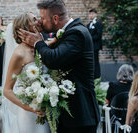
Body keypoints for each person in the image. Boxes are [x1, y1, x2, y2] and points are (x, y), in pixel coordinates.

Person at [17, 0, 100, 133]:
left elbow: (53, 59)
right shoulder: (69, 32)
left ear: (55, 18)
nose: (40, 21)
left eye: (43, 18)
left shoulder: (76, 33)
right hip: (69, 117)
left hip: (80, 116)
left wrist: (38, 42)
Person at [3, 12, 49, 133]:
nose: (38, 20)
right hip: (30, 115)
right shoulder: (19, 54)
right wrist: (29, 107)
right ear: (24, 27)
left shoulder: (41, 46)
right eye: (34, 19)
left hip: (48, 111)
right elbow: (7, 90)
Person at [87, 9, 103, 79]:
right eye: (90, 14)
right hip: (90, 47)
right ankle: (92, 75)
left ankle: (97, 75)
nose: (91, 15)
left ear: (96, 14)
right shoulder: (88, 25)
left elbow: (98, 35)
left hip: (95, 46)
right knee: (91, 61)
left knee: (95, 61)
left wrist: (89, 38)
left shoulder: (98, 23)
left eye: (92, 14)